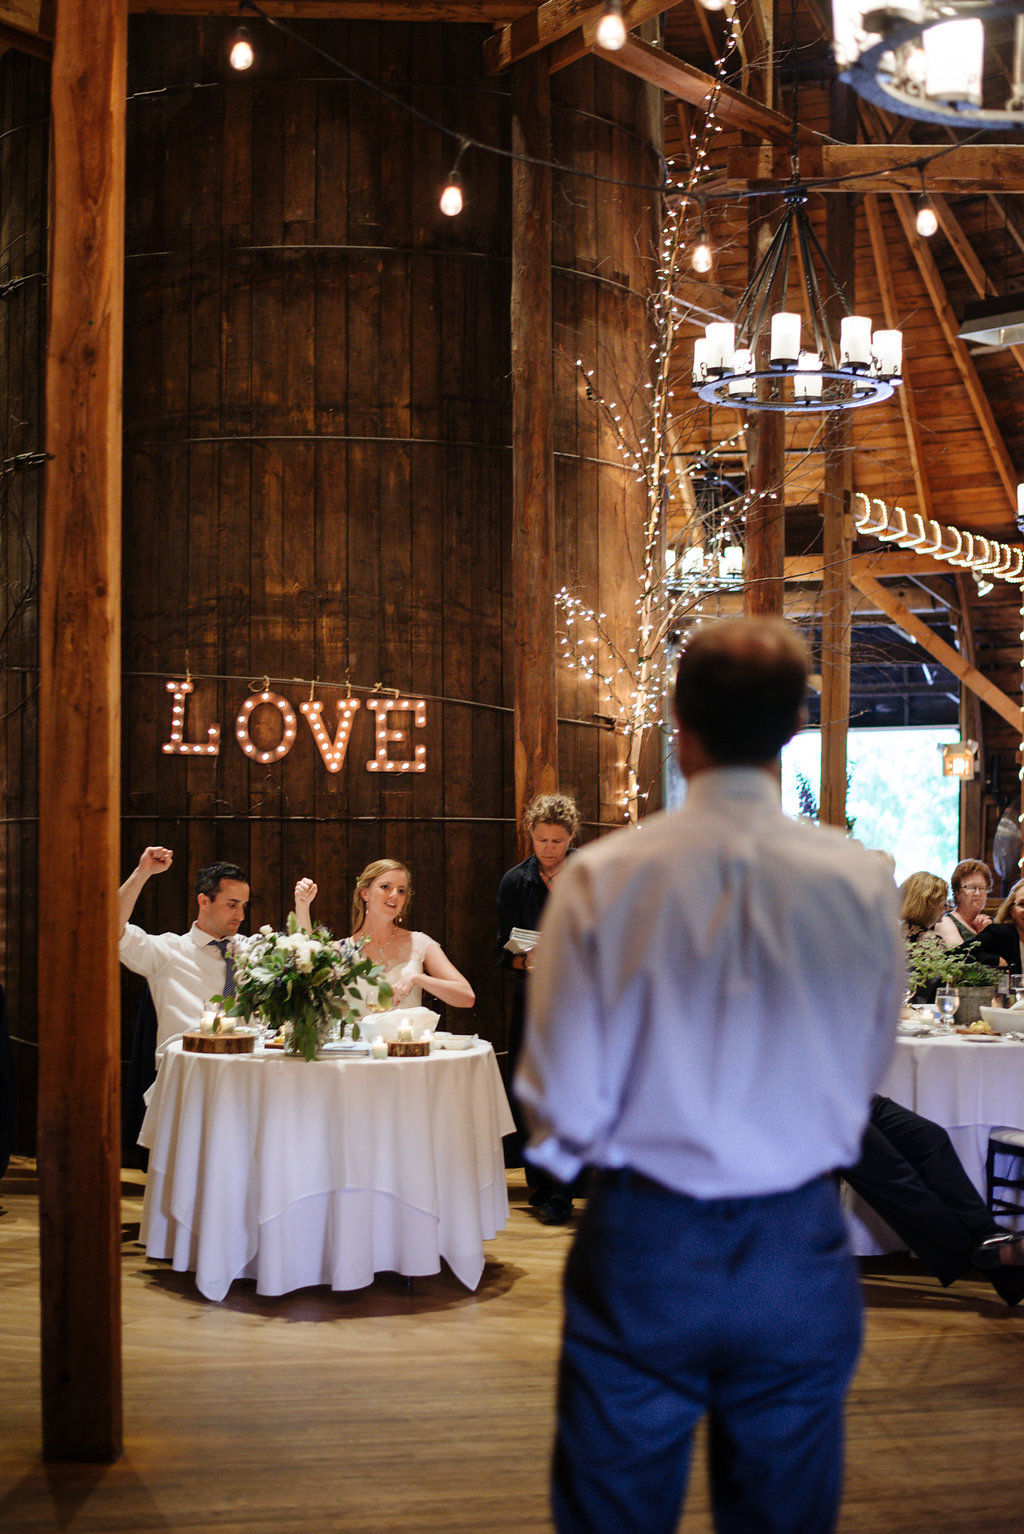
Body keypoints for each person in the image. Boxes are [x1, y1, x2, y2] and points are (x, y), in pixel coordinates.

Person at [516, 616, 904, 1534]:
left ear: (678, 728)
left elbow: (560, 1103)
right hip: (799, 1239)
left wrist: (590, 1151)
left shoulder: (604, 880)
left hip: (646, 1236)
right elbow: (864, 1074)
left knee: (614, 1514)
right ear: (794, 728)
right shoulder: (859, 881)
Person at [846, 1095, 1024, 1306]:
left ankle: (991, 1241)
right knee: (887, 1168)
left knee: (930, 1138)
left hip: (847, 1091)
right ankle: (998, 1258)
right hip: (809, 1101)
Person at [497, 791, 581, 1224]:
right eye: (541, 840)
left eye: (557, 841)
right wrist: (524, 957)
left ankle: (564, 1190)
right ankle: (544, 1182)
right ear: (530, 835)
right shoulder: (516, 881)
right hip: (532, 999)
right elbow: (500, 950)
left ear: (571, 837)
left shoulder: (589, 874)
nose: (549, 849)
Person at [118, 847, 250, 1060]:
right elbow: (111, 930)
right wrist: (141, 873)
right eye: (232, 905)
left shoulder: (252, 950)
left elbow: (303, 963)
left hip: (246, 1067)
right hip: (188, 1069)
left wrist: (302, 907)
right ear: (204, 901)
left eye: (244, 905)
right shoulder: (169, 951)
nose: (241, 915)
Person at [294, 859, 474, 1013]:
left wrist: (418, 979)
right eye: (385, 887)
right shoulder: (342, 950)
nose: (394, 895)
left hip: (407, 1049)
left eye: (401, 890)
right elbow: (307, 976)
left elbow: (467, 997)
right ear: (365, 893)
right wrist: (303, 907)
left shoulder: (419, 943)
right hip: (356, 1051)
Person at [933, 859, 994, 947]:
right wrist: (985, 936)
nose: (977, 893)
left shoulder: (989, 921)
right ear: (957, 892)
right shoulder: (945, 922)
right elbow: (961, 958)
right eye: (971, 887)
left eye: (982, 888)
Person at [974, 878, 1024, 972]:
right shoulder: (1000, 933)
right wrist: (994, 960)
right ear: (1012, 911)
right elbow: (957, 955)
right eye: (1022, 904)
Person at [898, 870, 949, 941]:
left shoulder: (892, 934)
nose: (946, 909)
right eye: (944, 904)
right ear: (930, 906)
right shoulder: (932, 941)